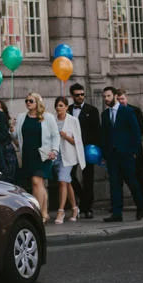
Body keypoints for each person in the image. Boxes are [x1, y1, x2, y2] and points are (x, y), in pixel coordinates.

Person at [99, 85, 143, 222]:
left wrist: (134, 152)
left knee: (132, 182)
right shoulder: (105, 114)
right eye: (104, 97)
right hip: (112, 157)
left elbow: (136, 133)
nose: (106, 99)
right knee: (114, 185)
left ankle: (140, 207)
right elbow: (104, 136)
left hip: (126, 155)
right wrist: (104, 155)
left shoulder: (127, 111)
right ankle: (117, 214)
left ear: (114, 96)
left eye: (108, 96)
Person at [13, 93, 59, 221]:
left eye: (31, 101)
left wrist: (54, 150)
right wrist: (11, 129)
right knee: (40, 184)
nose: (28, 103)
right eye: (26, 100)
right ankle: (44, 213)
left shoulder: (47, 117)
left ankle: (36, 214)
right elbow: (16, 136)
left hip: (43, 154)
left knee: (36, 182)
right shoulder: (22, 117)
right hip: (28, 154)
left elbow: (56, 135)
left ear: (38, 102)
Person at [67, 82, 100, 219]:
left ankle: (88, 207)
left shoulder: (92, 110)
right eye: (77, 95)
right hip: (71, 148)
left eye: (82, 94)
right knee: (70, 175)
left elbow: (97, 130)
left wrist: (95, 148)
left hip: (87, 148)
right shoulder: (68, 109)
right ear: (72, 96)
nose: (80, 97)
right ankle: (82, 197)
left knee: (88, 178)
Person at [53, 96, 86, 224]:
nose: (58, 108)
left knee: (62, 181)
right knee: (67, 182)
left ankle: (60, 211)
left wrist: (66, 137)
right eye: (57, 105)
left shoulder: (73, 120)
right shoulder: (52, 120)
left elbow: (78, 141)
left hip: (68, 157)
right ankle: (75, 208)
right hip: (56, 156)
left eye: (61, 105)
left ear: (67, 107)